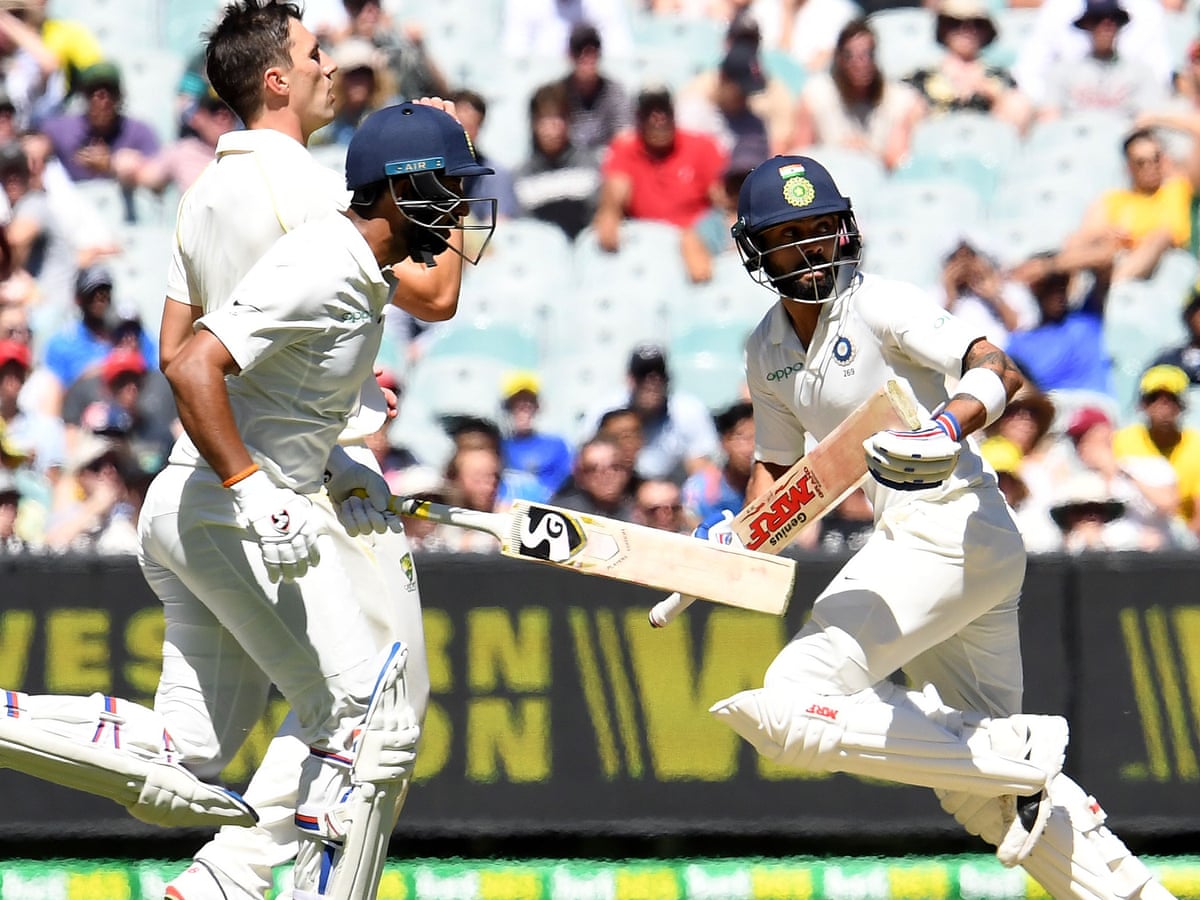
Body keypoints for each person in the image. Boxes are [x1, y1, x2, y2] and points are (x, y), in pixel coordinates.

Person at [690, 153, 1175, 899]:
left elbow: (996, 367)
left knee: (793, 697)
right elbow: (782, 479)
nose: (816, 247)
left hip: (952, 527)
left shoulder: (877, 302)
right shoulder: (767, 352)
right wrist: (732, 542)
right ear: (755, 249)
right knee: (986, 799)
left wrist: (946, 425)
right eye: (793, 235)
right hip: (937, 553)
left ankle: (1013, 748)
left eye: (824, 228)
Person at [151, 5, 486, 898]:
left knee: (188, 747)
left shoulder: (200, 195)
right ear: (275, 80)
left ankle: (226, 878)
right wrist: (445, 161)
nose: (331, 66)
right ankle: (256, 879)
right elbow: (435, 293)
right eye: (313, 53)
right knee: (377, 714)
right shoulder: (305, 192)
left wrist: (331, 382)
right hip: (285, 490)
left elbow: (175, 346)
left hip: (227, 478)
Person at [592, 87, 727, 253]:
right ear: (639, 118)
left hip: (698, 236)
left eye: (664, 111)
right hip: (647, 241)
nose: (659, 119)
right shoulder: (625, 148)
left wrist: (699, 235)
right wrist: (609, 214)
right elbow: (615, 192)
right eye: (650, 113)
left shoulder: (702, 146)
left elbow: (723, 199)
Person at [1059, 128, 1197, 283]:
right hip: (1118, 262)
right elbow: (1085, 237)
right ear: (1129, 167)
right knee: (1083, 243)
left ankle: (1119, 288)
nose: (1150, 167)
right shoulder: (1115, 200)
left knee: (1161, 235)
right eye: (1141, 162)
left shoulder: (1180, 188)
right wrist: (1108, 234)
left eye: (1156, 158)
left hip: (1171, 264)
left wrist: (1155, 118)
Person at [787, 18, 923, 171]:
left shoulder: (900, 100)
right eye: (850, 56)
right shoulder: (816, 95)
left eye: (867, 54)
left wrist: (867, 154)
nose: (860, 63)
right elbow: (800, 154)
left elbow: (899, 162)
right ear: (839, 59)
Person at [581, 343, 722, 482]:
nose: (652, 382)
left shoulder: (689, 410)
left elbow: (703, 471)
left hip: (671, 495)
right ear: (630, 379)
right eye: (643, 375)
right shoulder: (603, 410)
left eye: (659, 375)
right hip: (617, 491)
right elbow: (586, 460)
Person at [903, 0, 1032, 133]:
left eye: (976, 24)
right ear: (942, 28)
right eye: (955, 23)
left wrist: (993, 96)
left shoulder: (1000, 77)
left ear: (987, 31)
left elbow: (1016, 119)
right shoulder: (921, 77)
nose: (966, 31)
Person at [37, 60, 160, 189]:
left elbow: (156, 178)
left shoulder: (139, 132)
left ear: (119, 95)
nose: (102, 99)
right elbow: (36, 144)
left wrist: (111, 165)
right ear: (84, 95)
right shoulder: (62, 129)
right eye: (93, 91)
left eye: (109, 91)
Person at [1038, 0, 1163, 122]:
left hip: (1123, 137)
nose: (1106, 27)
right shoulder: (1063, 71)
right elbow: (1050, 117)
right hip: (1076, 137)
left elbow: (1149, 117)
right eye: (1097, 20)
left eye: (1113, 20)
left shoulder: (1140, 72)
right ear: (1087, 25)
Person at [1114, 364, 1200, 538]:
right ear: (1142, 404)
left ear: (1183, 405)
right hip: (1134, 532)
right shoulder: (1123, 441)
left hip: (1183, 539)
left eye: (1171, 398)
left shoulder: (1196, 446)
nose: (1163, 405)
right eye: (1154, 397)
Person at [513, 81, 602, 240]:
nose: (551, 129)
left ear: (569, 121)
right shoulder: (521, 177)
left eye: (558, 119)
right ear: (533, 124)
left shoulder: (591, 166)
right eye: (544, 120)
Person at [549, 21, 634, 160]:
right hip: (567, 165)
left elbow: (625, 136)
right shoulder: (558, 93)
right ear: (570, 55)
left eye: (593, 50)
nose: (587, 57)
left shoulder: (615, 92)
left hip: (606, 162)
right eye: (579, 51)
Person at [499, 370, 573, 499]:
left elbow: (567, 485)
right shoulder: (498, 446)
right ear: (507, 407)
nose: (523, 409)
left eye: (528, 403)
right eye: (517, 404)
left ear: (537, 407)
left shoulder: (556, 445)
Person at [683, 399, 753, 524]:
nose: (751, 448)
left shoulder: (776, 484)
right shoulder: (701, 489)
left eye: (757, 438)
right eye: (744, 438)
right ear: (724, 441)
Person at [551, 435, 637, 520]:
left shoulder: (641, 515)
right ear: (580, 477)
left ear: (627, 471)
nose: (606, 475)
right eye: (592, 469)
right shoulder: (560, 515)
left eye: (615, 467)